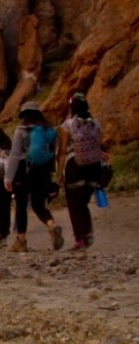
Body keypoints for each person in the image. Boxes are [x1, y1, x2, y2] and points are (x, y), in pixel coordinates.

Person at [4, 101, 64, 252]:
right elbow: (52, 154)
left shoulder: (21, 130)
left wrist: (8, 177)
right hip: (42, 172)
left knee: (21, 207)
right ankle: (52, 225)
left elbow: (15, 155)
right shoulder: (48, 130)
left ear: (24, 115)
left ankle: (21, 241)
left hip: (23, 172)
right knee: (39, 205)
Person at [58, 92, 104, 250]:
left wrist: (59, 173)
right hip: (94, 167)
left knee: (74, 204)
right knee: (83, 202)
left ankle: (80, 240)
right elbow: (98, 144)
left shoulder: (68, 124)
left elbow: (62, 151)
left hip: (75, 166)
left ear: (72, 107)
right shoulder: (96, 123)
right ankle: (88, 234)